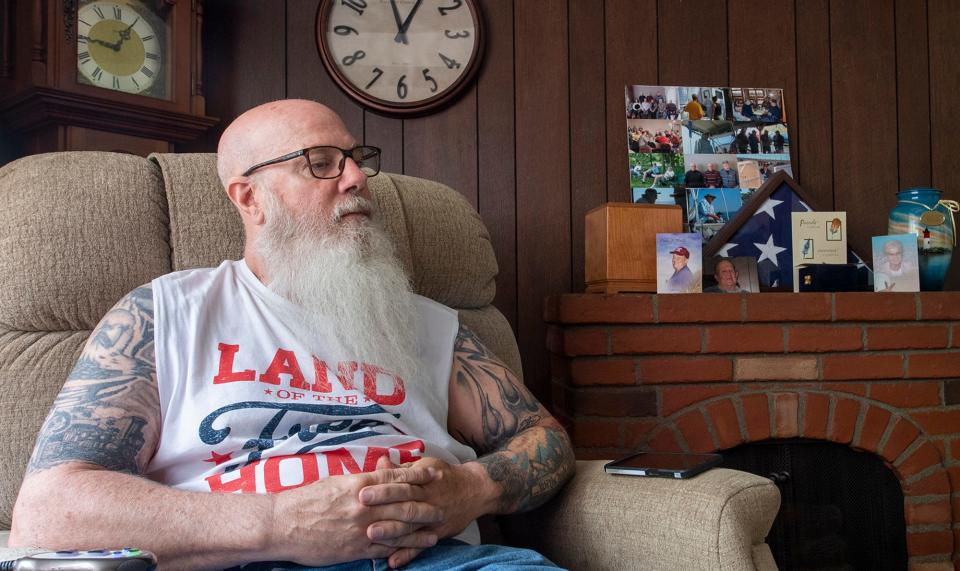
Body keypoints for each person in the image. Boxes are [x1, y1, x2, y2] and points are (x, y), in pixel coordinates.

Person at [9, 99, 575, 570]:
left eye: (356, 160)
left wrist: (471, 490)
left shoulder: (426, 321)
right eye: (320, 163)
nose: (356, 178)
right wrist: (279, 523)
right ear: (249, 197)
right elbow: (51, 512)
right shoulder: (166, 315)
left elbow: (542, 436)